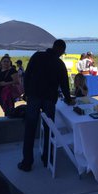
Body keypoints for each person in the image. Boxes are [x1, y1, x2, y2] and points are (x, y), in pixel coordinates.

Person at [17, 39, 74, 172]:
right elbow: (65, 85)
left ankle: (27, 163)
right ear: (62, 50)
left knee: (30, 130)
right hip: (49, 100)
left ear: (53, 46)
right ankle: (47, 158)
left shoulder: (37, 56)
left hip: (34, 97)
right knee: (50, 130)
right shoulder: (59, 64)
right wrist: (69, 99)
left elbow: (27, 75)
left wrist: (26, 93)